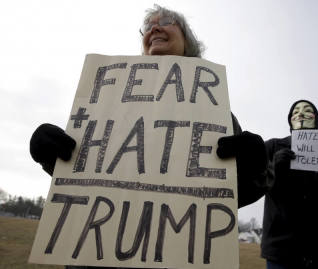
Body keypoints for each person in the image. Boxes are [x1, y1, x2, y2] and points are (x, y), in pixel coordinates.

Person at [30, 4, 253, 269]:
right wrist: (50, 154)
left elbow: (229, 195)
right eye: (148, 26)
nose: (155, 28)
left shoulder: (214, 111)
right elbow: (86, 174)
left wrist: (253, 168)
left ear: (188, 41)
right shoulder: (107, 99)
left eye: (168, 21)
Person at [217, 100, 318, 269]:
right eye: (295, 112)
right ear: (290, 121)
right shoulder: (273, 146)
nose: (300, 114)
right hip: (281, 253)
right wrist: (273, 168)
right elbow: (251, 187)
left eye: (307, 110)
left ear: (317, 119)